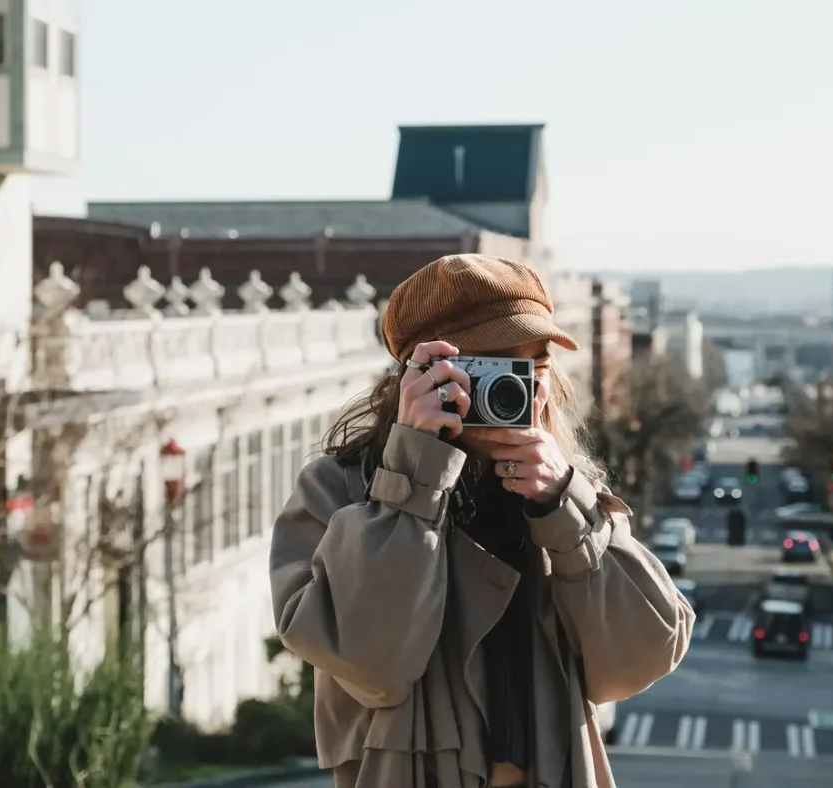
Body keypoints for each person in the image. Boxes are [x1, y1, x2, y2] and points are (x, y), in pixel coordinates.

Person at [269, 254, 695, 788]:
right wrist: (414, 479)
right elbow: (372, 666)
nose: (519, 388)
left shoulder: (566, 490)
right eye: (494, 366)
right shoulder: (338, 491)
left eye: (536, 365)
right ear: (420, 378)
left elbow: (641, 658)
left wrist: (564, 509)